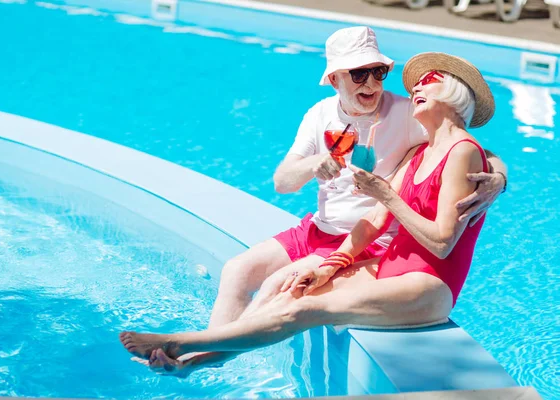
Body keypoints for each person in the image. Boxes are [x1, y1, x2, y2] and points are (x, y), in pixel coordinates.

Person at [119, 51, 504, 376]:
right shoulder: (418, 152)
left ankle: (183, 341)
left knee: (306, 309)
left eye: (428, 81)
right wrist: (330, 266)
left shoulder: (461, 150)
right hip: (382, 265)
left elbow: (441, 243)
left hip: (428, 285)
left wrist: (494, 178)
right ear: (336, 79)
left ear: (454, 93)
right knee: (291, 291)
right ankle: (205, 360)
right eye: (358, 73)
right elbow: (372, 221)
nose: (415, 87)